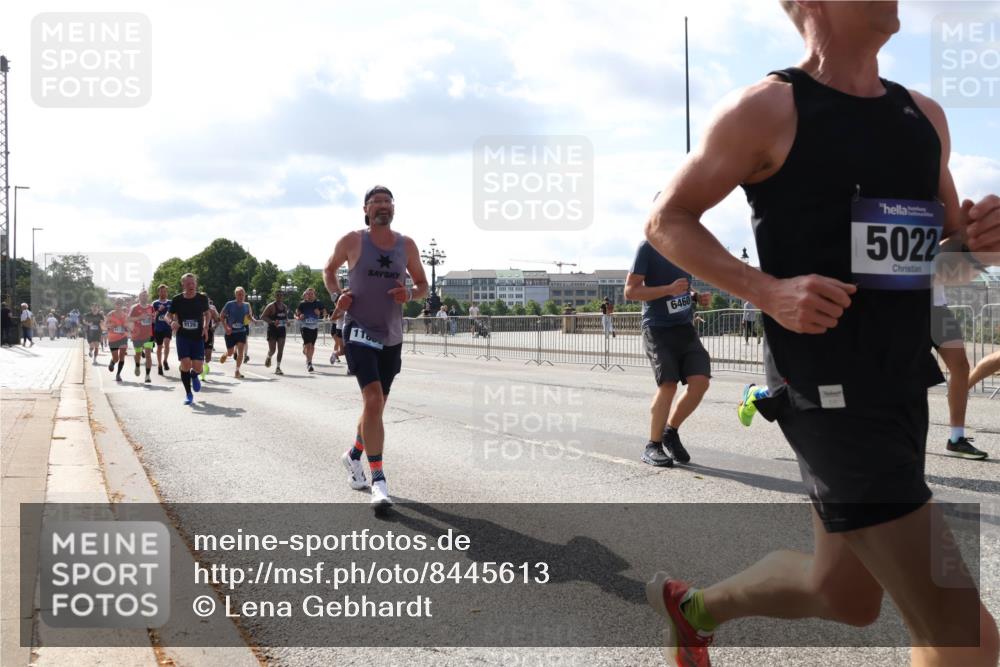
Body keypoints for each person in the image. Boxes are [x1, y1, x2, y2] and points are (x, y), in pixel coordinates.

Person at [642, 3, 1000, 664]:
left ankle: (694, 608)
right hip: (826, 387)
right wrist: (767, 291)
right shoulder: (769, 109)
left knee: (842, 593)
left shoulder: (924, 118)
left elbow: (945, 255)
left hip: (900, 379)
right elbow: (667, 221)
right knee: (960, 630)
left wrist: (981, 244)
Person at [323, 185, 429, 510]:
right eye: (376, 202)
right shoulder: (352, 240)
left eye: (387, 201)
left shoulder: (406, 245)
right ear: (366, 209)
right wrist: (337, 294)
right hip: (358, 329)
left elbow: (423, 286)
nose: (382, 206)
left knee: (377, 406)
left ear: (393, 208)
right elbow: (328, 271)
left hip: (391, 335)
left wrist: (410, 295)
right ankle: (378, 480)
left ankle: (354, 454)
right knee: (371, 398)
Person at [625, 240, 712, 468]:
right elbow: (630, 291)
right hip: (657, 327)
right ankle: (652, 446)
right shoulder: (647, 247)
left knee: (700, 381)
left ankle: (670, 431)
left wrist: (696, 297)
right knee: (669, 384)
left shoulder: (686, 246)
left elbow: (684, 287)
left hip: (684, 327)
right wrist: (668, 289)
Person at [931, 287, 985, 459]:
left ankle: (956, 439)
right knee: (900, 370)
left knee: (961, 367)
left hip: (937, 309)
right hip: (902, 306)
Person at [168, 273, 210, 405]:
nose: (191, 286)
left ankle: (194, 375)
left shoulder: (202, 298)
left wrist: (205, 327)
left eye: (193, 283)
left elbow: (207, 314)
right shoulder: (177, 299)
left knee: (198, 368)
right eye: (188, 284)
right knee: (186, 364)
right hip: (183, 336)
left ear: (196, 284)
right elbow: (167, 316)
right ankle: (188, 394)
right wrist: (171, 322)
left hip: (197, 336)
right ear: (183, 285)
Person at [219, 287, 252, 379]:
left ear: (245, 295)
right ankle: (226, 354)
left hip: (241, 331)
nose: (241, 296)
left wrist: (253, 320)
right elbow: (221, 316)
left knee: (241, 352)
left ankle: (237, 371)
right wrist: (226, 327)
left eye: (242, 294)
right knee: (230, 352)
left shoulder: (246, 305)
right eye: (239, 294)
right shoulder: (229, 304)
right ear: (235, 295)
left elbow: (248, 317)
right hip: (230, 332)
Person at [296, 287, 327, 372]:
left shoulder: (318, 303)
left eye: (312, 294)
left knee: (312, 346)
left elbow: (324, 312)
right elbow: (297, 313)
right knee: (308, 345)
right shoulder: (302, 304)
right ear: (306, 294)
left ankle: (309, 359)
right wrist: (300, 316)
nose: (310, 295)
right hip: (305, 327)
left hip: (314, 327)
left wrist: (320, 314)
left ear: (314, 295)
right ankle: (309, 363)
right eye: (308, 294)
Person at [128, 290, 155, 384]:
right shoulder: (134, 308)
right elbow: (129, 319)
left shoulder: (151, 307)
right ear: (139, 297)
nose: (144, 297)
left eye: (145, 296)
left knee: (148, 355)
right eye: (142, 296)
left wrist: (153, 318)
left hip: (148, 335)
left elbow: (153, 318)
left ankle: (147, 375)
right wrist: (139, 318)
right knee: (138, 354)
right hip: (137, 335)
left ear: (147, 297)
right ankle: (137, 365)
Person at [261, 290, 290, 375]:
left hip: (281, 330)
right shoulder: (271, 306)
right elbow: (263, 317)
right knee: (273, 350)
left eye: (281, 295)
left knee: (280, 350)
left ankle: (278, 367)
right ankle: (269, 356)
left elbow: (285, 318)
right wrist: (273, 322)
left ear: (283, 297)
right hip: (272, 330)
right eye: (277, 295)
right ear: (275, 296)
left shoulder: (284, 307)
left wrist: (287, 322)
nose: (279, 297)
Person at [105, 300, 130, 382]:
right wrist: (111, 326)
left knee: (122, 356)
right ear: (115, 305)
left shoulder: (125, 315)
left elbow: (128, 326)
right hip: (113, 338)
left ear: (122, 305)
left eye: (120, 304)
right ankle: (112, 362)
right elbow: (106, 325)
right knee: (116, 358)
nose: (118, 306)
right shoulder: (110, 314)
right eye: (117, 304)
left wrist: (126, 327)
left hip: (123, 337)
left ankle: (118, 374)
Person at [151, 284, 173, 375]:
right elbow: (152, 317)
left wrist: (173, 320)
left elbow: (174, 314)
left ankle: (165, 361)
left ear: (167, 292)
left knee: (167, 344)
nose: (163, 293)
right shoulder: (155, 303)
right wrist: (159, 310)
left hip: (167, 327)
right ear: (158, 292)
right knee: (159, 347)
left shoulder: (170, 302)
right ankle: (160, 365)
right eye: (161, 291)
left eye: (165, 291)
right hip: (158, 328)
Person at [202, 299, 221, 381]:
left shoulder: (211, 310)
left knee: (208, 356)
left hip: (209, 333)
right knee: (199, 354)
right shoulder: (194, 307)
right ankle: (201, 371)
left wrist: (214, 326)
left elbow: (218, 320)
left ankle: (205, 365)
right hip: (197, 333)